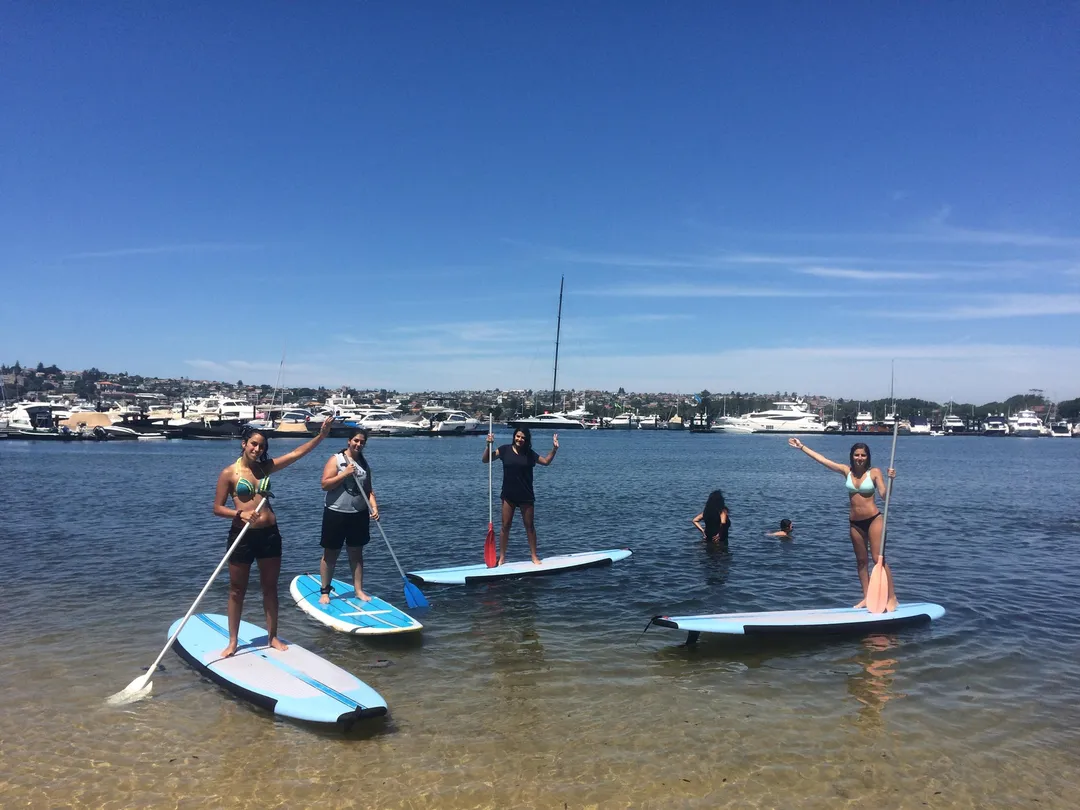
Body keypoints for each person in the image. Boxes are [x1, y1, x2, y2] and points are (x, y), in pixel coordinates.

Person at [212, 417, 333, 658]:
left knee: (270, 588)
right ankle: (233, 641)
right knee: (237, 589)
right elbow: (217, 508)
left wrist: (321, 436)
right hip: (243, 536)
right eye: (254, 444)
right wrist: (239, 513)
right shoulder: (229, 473)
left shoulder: (264, 468)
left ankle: (272, 636)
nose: (258, 449)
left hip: (269, 536)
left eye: (262, 446)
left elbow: (297, 453)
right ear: (244, 444)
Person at [788, 437, 897, 611]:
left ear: (867, 457)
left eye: (862, 455)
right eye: (856, 455)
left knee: (878, 559)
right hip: (854, 523)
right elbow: (823, 460)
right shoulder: (846, 471)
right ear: (852, 456)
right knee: (861, 562)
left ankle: (892, 598)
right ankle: (867, 598)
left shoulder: (875, 472)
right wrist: (802, 447)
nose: (859, 458)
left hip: (874, 519)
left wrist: (892, 481)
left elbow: (885, 496)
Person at [318, 429, 379, 605]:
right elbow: (324, 484)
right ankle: (325, 591)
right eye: (356, 441)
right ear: (349, 441)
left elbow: (369, 491)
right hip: (335, 512)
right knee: (331, 553)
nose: (358, 444)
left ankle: (358, 590)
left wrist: (374, 508)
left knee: (356, 553)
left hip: (358, 514)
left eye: (362, 442)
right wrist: (344, 473)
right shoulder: (336, 460)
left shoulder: (364, 464)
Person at [482, 427, 558, 565]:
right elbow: (486, 460)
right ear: (514, 436)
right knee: (505, 526)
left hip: (526, 495)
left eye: (523, 437)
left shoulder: (529, 454)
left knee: (529, 527)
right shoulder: (504, 450)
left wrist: (554, 449)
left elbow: (546, 462)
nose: (519, 439)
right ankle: (502, 557)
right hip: (508, 495)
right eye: (518, 436)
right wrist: (488, 445)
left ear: (526, 440)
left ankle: (534, 556)